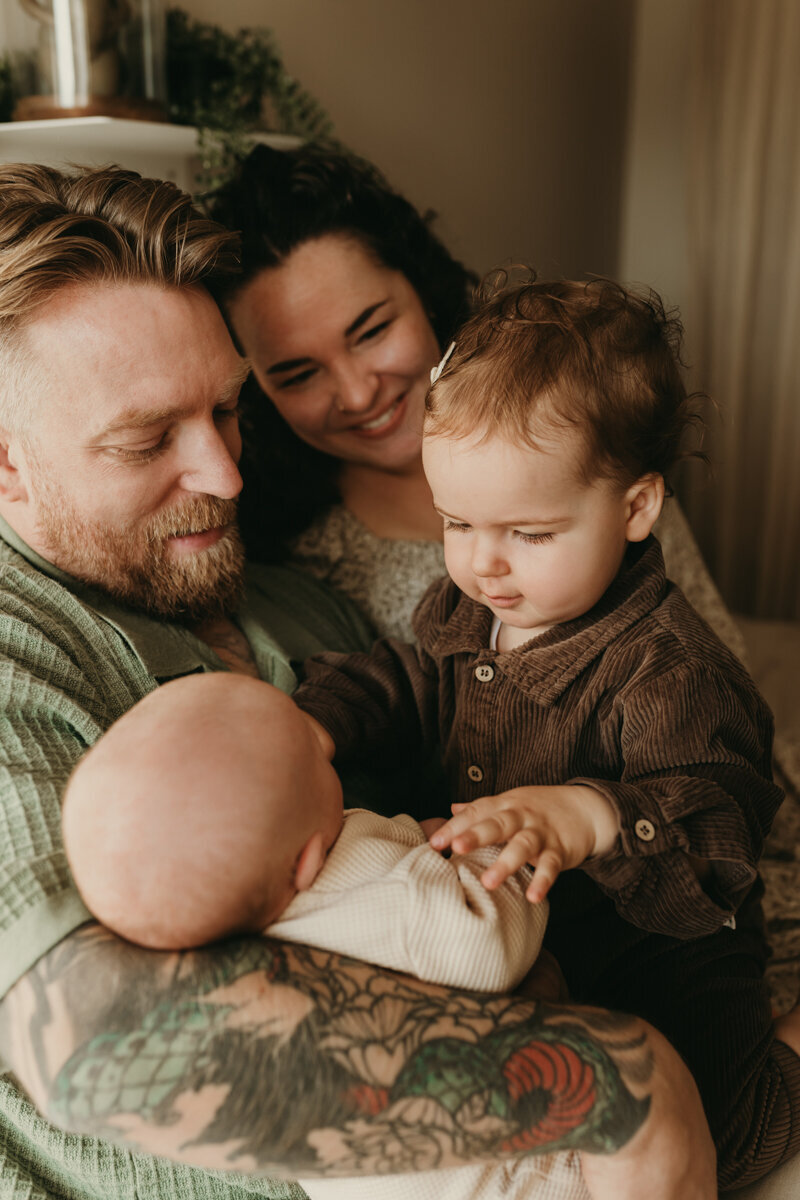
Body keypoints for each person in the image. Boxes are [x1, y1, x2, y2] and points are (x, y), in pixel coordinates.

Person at [0, 161, 717, 1200]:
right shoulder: (21, 646)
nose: (226, 475)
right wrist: (624, 1090)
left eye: (225, 410)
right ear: (9, 465)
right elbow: (91, 1035)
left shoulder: (298, 609)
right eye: (147, 439)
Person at [292, 278, 800, 1185]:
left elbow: (718, 825)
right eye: (456, 523)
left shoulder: (671, 670)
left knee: (731, 1144)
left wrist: (591, 816)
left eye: (527, 532)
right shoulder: (464, 606)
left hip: (661, 961)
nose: (481, 562)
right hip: (532, 952)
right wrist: (317, 725)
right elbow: (407, 687)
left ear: (637, 509)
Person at [207, 142, 749, 668]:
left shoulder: (577, 418)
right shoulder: (295, 558)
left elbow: (721, 671)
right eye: (299, 374)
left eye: (371, 331)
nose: (357, 394)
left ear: (423, 293)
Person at [64, 672, 594, 1200]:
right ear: (309, 862)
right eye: (317, 762)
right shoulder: (371, 882)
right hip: (523, 1178)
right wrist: (496, 854)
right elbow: (486, 948)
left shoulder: (230, 947)